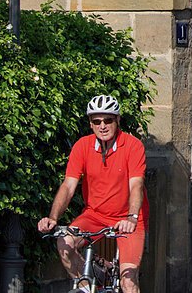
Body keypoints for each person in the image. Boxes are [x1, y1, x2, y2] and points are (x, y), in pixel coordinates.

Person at [37, 95, 149, 293]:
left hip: (128, 219)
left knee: (128, 282)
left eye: (108, 120)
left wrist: (131, 217)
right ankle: (89, 288)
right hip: (95, 215)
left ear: (118, 120)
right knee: (64, 243)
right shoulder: (82, 146)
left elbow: (136, 185)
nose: (103, 126)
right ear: (90, 124)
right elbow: (68, 186)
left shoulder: (132, 145)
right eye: (97, 121)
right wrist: (53, 217)